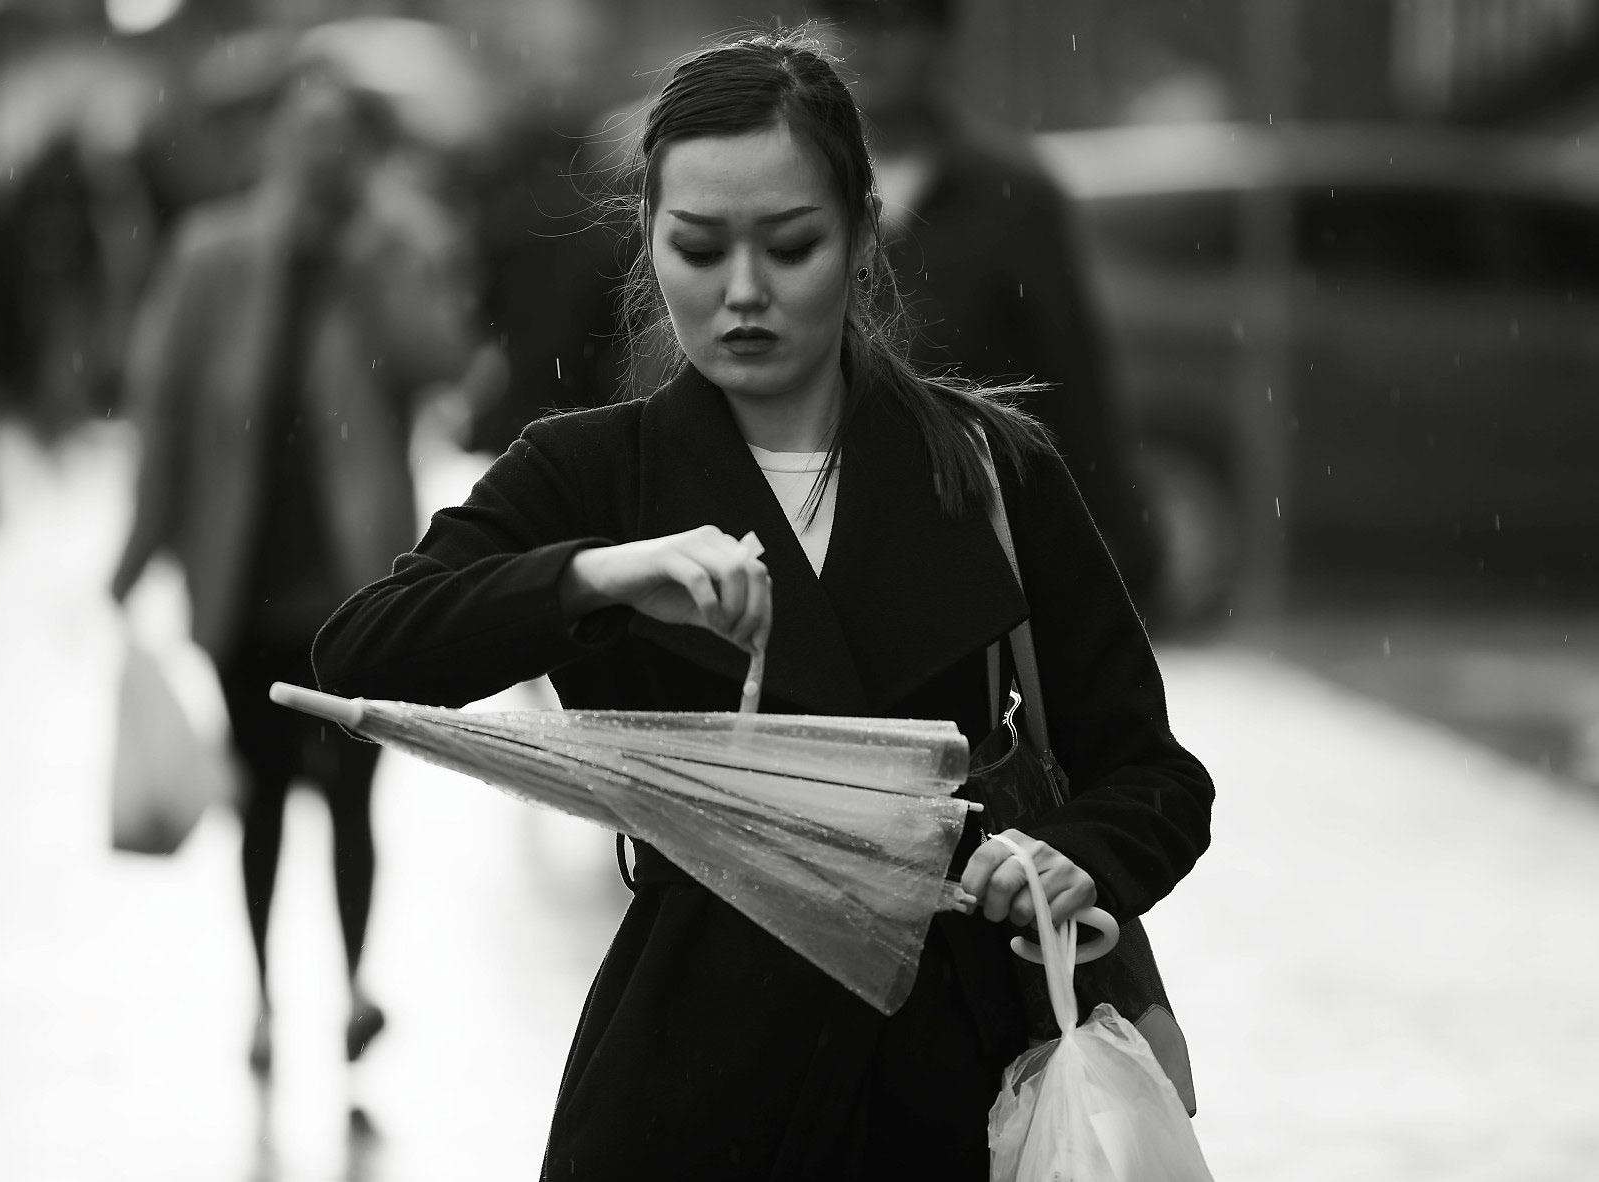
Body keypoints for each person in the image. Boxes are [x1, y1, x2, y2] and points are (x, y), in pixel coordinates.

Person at [313, 28, 1211, 1178]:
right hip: (689, 1087)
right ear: (647, 237)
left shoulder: (991, 473)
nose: (743, 293)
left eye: (791, 246)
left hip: (955, 1094)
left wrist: (1070, 856)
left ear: (862, 235)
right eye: (698, 247)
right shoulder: (593, 473)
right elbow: (363, 653)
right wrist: (596, 574)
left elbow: (1153, 777)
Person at [110, 65, 477, 1072]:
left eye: (339, 140)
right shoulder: (213, 255)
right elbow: (166, 411)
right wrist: (137, 552)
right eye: (306, 136)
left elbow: (444, 359)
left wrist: (369, 265)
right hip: (245, 584)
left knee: (356, 801)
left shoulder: (393, 249)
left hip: (357, 593)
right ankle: (266, 999)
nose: (323, 159)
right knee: (263, 802)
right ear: (276, 146)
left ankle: (353, 989)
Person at [817, 0, 1161, 612]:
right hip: (795, 542)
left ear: (938, 37)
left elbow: (1071, 384)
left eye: (891, 21)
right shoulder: (775, 179)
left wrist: (1122, 545)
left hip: (965, 550)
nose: (864, 44)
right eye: (844, 19)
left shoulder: (1012, 199)